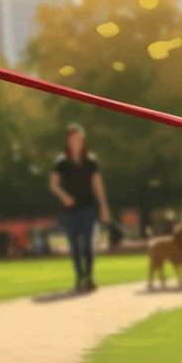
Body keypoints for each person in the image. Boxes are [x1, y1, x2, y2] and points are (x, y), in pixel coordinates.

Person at [49, 123, 111, 293]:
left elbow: (98, 185)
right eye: (72, 139)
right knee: (74, 245)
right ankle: (79, 277)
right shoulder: (61, 162)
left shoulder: (91, 161)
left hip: (88, 207)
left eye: (78, 139)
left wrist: (104, 206)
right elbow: (53, 185)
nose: (75, 142)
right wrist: (64, 196)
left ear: (83, 141)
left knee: (88, 244)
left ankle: (89, 277)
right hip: (70, 211)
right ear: (68, 141)